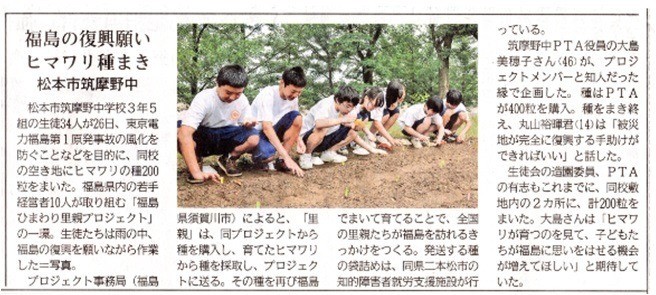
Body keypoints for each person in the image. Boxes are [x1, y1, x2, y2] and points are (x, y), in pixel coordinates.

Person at [177, 64, 259, 182]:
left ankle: (229, 158)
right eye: (228, 92)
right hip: (204, 135)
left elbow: (245, 120)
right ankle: (196, 163)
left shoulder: (242, 99)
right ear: (217, 83)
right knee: (178, 132)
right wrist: (197, 173)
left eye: (238, 93)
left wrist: (249, 123)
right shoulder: (204, 98)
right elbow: (185, 134)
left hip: (226, 135)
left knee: (254, 137)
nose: (232, 97)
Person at [250, 66, 307, 177]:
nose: (295, 95)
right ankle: (265, 158)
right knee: (267, 155)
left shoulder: (294, 98)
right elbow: (266, 127)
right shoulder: (268, 94)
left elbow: (295, 121)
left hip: (274, 130)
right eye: (293, 91)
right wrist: (288, 157)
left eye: (299, 92)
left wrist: (299, 140)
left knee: (297, 117)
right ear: (282, 82)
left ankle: (281, 161)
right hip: (257, 133)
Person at [298, 85, 364, 170]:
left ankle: (328, 153)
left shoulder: (341, 109)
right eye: (348, 106)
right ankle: (306, 155)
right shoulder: (326, 104)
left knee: (351, 131)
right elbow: (319, 123)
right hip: (306, 139)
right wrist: (343, 119)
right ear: (337, 100)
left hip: (323, 139)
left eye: (352, 107)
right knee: (323, 127)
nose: (349, 110)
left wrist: (350, 124)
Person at [370, 80, 406, 146]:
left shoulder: (392, 98)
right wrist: (391, 139)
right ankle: (369, 136)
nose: (404, 94)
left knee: (396, 112)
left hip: (381, 110)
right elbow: (376, 122)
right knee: (386, 115)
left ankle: (380, 136)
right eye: (402, 93)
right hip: (368, 112)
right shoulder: (381, 98)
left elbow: (391, 108)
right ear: (395, 96)